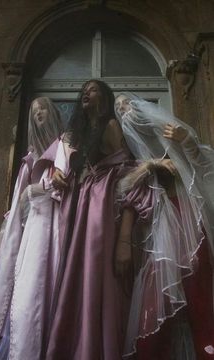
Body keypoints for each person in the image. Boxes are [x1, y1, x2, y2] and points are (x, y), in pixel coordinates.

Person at [39, 80, 176, 360]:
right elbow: (63, 165)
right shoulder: (78, 133)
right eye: (84, 89)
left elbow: (129, 179)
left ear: (105, 96)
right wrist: (59, 176)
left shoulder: (111, 126)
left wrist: (124, 240)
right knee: (78, 279)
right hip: (81, 209)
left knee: (99, 280)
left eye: (93, 88)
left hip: (103, 211)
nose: (86, 92)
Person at [114, 93, 214, 359]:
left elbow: (205, 169)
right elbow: (123, 191)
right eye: (120, 109)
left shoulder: (172, 137)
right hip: (158, 236)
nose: (126, 111)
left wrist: (189, 143)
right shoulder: (132, 157)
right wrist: (151, 164)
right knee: (155, 306)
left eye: (129, 104)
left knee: (200, 298)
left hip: (190, 222)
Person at [0, 97, 63, 360]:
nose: (39, 113)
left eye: (43, 108)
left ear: (53, 112)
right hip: (27, 228)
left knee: (39, 286)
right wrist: (5, 232)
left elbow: (66, 184)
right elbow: (18, 200)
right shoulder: (30, 158)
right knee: (15, 291)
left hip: (53, 225)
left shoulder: (64, 147)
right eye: (34, 110)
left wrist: (34, 190)